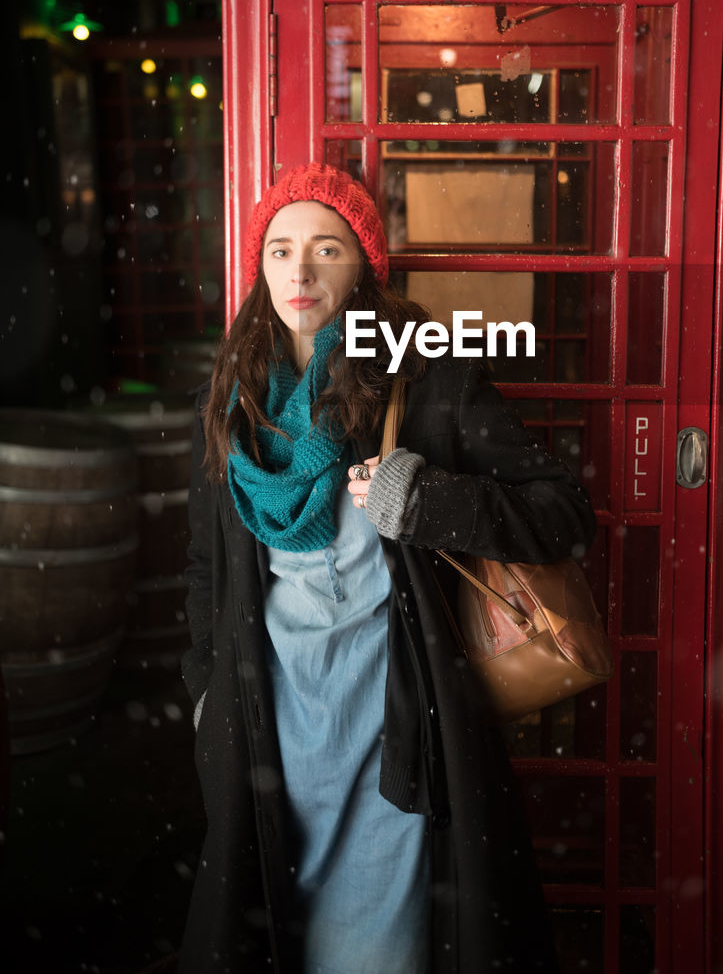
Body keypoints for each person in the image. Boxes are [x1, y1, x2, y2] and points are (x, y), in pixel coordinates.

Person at [179, 162, 596, 974]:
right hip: (269, 729)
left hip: (393, 727)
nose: (299, 272)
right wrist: (203, 697)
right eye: (280, 249)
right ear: (259, 266)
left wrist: (429, 502)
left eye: (326, 248)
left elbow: (565, 513)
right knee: (273, 938)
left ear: (364, 261)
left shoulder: (427, 380)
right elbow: (205, 569)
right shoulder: (229, 400)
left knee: (381, 950)